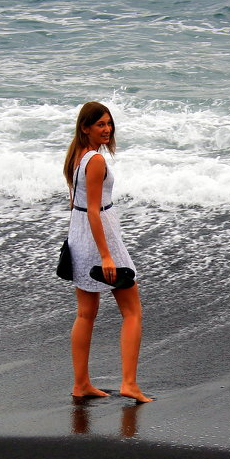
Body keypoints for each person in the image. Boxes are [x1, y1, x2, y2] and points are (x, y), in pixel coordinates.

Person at [63, 101, 152, 402]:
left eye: (109, 124)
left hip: (79, 235)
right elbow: (94, 211)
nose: (107, 129)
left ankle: (81, 384)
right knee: (132, 311)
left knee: (86, 314)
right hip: (99, 235)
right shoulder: (96, 161)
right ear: (85, 127)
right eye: (100, 124)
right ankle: (129, 383)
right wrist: (106, 254)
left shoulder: (77, 156)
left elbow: (80, 206)